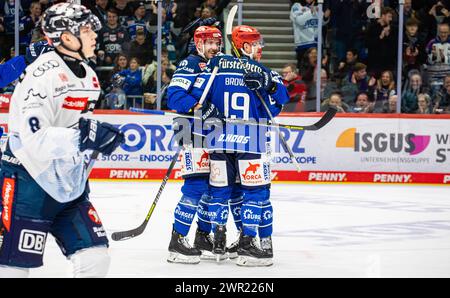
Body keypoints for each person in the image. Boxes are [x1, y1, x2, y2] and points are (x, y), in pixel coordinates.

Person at [0, 2, 124, 278]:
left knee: (95, 258)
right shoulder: (41, 75)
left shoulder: (90, 76)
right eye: (88, 29)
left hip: (67, 183)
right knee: (13, 269)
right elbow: (34, 137)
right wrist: (84, 137)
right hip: (27, 181)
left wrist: (97, 138)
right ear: (67, 37)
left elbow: (76, 127)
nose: (95, 35)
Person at [190, 25, 289, 266]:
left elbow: (196, 97)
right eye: (255, 43)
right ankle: (248, 244)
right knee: (256, 193)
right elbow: (281, 99)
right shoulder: (261, 70)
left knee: (220, 192)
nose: (260, 48)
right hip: (251, 137)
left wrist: (207, 112)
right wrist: (269, 89)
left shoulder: (217, 66)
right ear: (244, 46)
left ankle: (218, 242)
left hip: (219, 138)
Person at [165, 25, 223, 264]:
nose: (214, 47)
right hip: (191, 130)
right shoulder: (190, 64)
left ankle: (202, 236)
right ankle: (177, 240)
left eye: (217, 43)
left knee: (212, 188)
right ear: (199, 43)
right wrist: (204, 108)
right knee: (196, 187)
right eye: (210, 43)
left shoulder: (216, 64)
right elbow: (175, 97)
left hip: (211, 131)